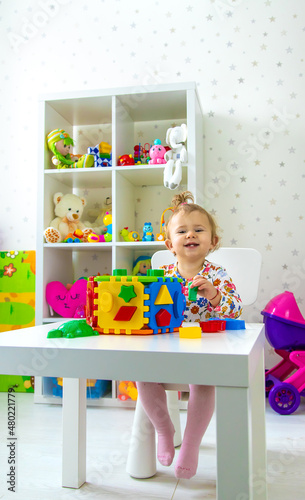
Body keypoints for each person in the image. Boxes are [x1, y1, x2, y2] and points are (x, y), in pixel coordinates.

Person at [137, 191, 242, 479]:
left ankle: (191, 446)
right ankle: (164, 429)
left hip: (204, 350)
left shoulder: (218, 275)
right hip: (166, 349)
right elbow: (146, 312)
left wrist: (216, 296)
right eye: (182, 231)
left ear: (213, 241)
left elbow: (236, 310)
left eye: (198, 229)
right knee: (141, 375)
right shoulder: (162, 275)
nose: (190, 235)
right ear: (171, 244)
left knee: (204, 384)